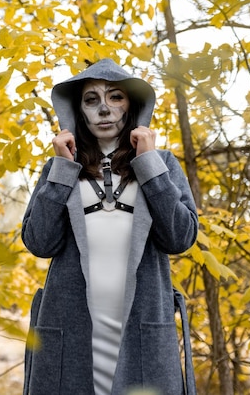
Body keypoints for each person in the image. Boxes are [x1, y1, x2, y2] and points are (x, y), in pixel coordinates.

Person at [21, 58, 198, 395]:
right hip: (71, 330)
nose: (104, 109)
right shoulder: (57, 167)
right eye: (92, 100)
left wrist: (147, 164)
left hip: (140, 330)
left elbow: (180, 237)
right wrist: (61, 171)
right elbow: (39, 242)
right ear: (78, 110)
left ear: (132, 106)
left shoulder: (162, 164)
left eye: (115, 97)